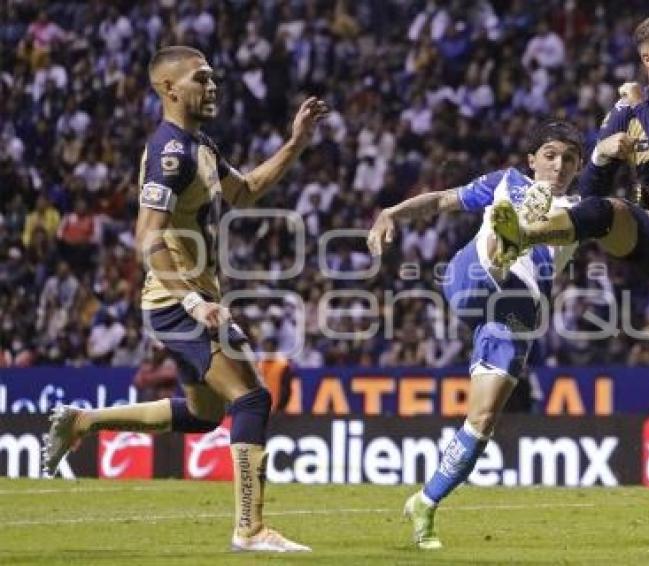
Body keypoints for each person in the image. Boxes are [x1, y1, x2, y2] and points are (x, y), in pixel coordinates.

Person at [42, 45, 328, 553]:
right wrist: (194, 303)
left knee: (203, 415)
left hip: (186, 300)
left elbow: (248, 190)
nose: (212, 86)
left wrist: (296, 143)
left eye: (214, 77)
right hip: (179, 301)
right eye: (202, 78)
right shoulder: (170, 151)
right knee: (253, 397)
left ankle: (84, 421)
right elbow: (147, 235)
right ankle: (250, 528)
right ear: (170, 89)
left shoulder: (201, 146)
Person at [490, 14, 649, 552]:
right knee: (605, 209)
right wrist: (605, 152)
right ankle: (527, 234)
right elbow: (593, 191)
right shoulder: (623, 112)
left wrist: (635, 113)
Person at [368, 120, 584, 549]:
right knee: (492, 254)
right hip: (473, 279)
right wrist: (391, 211)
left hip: (518, 312)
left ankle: (426, 503)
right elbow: (442, 201)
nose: (559, 165)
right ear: (531, 159)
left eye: (569, 160)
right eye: (550, 155)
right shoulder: (505, 181)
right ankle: (503, 246)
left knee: (482, 421)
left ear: (578, 167)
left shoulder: (583, 209)